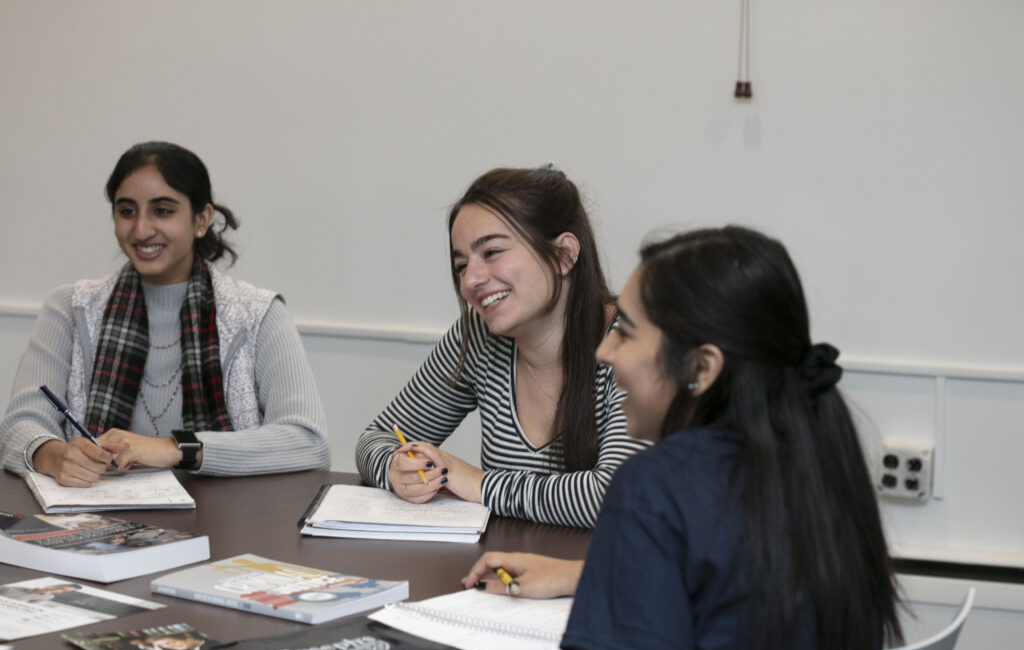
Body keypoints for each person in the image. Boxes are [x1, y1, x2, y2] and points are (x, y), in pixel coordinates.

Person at [463, 227, 904, 650]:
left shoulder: (653, 486)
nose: (602, 352)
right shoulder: (820, 459)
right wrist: (591, 574)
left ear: (701, 367)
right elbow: (737, 583)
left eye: (626, 334)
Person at [0, 141, 329, 486]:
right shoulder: (69, 307)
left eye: (162, 211)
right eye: (127, 211)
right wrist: (51, 454)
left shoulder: (258, 314)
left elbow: (309, 441)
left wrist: (177, 448)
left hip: (224, 526)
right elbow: (20, 426)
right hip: (93, 523)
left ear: (201, 220)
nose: (141, 230)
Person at [356, 166, 646, 528]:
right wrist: (396, 469)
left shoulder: (638, 344)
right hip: (509, 574)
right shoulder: (478, 336)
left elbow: (618, 497)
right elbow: (376, 439)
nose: (471, 281)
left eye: (492, 252)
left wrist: (478, 483)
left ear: (564, 255)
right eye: (461, 265)